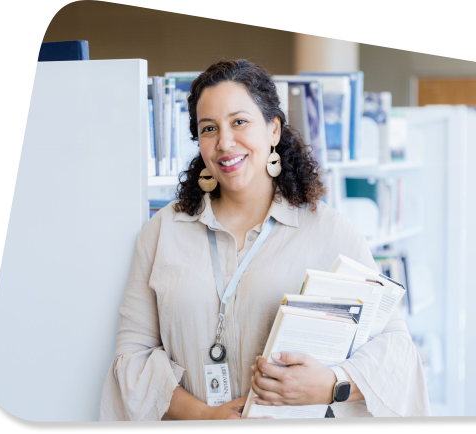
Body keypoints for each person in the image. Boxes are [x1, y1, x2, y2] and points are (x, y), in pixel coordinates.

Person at [98, 59, 430, 421]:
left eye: (240, 122)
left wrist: (332, 383)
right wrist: (204, 415)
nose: (225, 142)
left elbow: (397, 350)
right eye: (209, 128)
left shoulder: (331, 232)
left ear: (273, 130)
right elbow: (133, 356)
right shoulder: (162, 231)